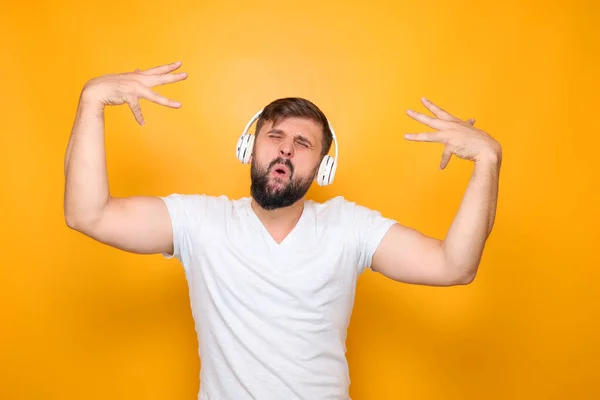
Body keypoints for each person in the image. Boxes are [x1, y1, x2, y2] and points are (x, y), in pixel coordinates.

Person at [64, 61, 502, 400]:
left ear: (324, 167)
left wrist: (487, 163)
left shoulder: (350, 227)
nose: (286, 149)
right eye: (275, 136)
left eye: (303, 143)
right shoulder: (199, 222)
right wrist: (92, 101)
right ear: (249, 146)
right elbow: (89, 214)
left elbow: (454, 265)